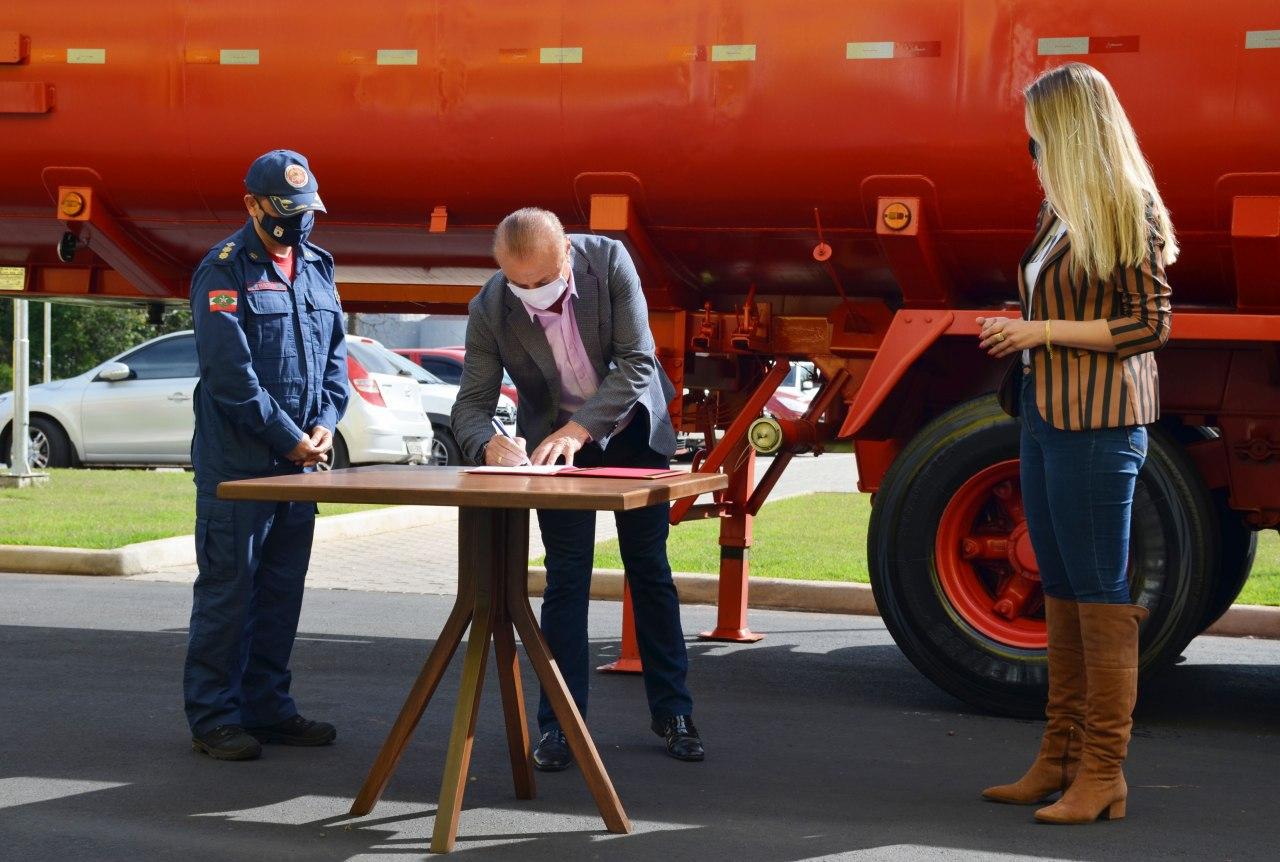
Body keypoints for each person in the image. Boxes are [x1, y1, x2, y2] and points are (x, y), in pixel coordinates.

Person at [977, 63, 1175, 823]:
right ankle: (1058, 756)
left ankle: (1103, 772)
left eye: (1034, 126)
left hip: (1100, 422)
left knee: (1098, 595)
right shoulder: (1060, 207)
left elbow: (1150, 325)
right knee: (1059, 590)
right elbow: (1063, 300)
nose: (1026, 140)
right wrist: (1020, 323)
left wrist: (1041, 328)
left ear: (1066, 126)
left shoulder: (1128, 205)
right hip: (1046, 413)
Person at [451, 207, 703, 768]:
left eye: (542, 282)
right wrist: (489, 442)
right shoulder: (490, 307)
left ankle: (674, 712)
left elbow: (639, 363)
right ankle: (560, 724)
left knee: (648, 568)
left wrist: (581, 427)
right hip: (550, 446)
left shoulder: (609, 261)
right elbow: (470, 405)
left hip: (632, 427)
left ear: (566, 253)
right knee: (567, 578)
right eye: (520, 285)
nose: (531, 294)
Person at [184, 150, 349, 760]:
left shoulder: (317, 267)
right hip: (240, 466)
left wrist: (328, 422)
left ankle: (268, 708)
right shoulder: (222, 272)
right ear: (252, 205)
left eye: (307, 212)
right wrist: (289, 438)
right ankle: (214, 717)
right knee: (232, 590)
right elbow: (231, 377)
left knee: (282, 590)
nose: (300, 223)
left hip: (300, 464)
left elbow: (334, 359)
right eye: (287, 212)